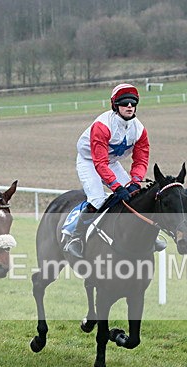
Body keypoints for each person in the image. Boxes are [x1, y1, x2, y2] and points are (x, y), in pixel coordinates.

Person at [64, 83, 149, 259]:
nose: (129, 106)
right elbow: (100, 163)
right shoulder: (102, 126)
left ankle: (142, 237)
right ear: (115, 105)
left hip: (111, 162)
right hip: (89, 161)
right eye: (124, 102)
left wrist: (136, 180)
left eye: (133, 103)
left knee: (135, 196)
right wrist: (117, 186)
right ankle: (76, 238)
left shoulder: (139, 130)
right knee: (97, 199)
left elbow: (141, 160)